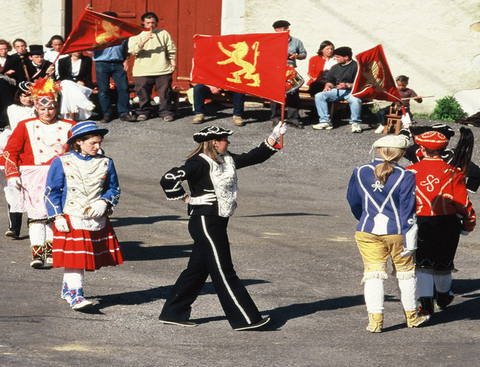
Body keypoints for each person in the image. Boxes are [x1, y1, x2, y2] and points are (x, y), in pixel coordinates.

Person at [158, 123, 286, 330]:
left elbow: (253, 156)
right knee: (224, 270)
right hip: (205, 223)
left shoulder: (226, 159)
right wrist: (188, 199)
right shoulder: (198, 162)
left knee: (196, 271)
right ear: (215, 143)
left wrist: (273, 136)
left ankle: (173, 312)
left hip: (217, 222)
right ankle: (246, 319)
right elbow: (168, 179)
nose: (228, 142)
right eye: (225, 139)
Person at [347, 134, 430, 332]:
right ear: (401, 154)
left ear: (377, 150)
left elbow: (353, 201)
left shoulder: (360, 171)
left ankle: (375, 322)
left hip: (367, 229)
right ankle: (412, 317)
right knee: (406, 274)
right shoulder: (406, 174)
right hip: (398, 231)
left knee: (373, 275)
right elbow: (407, 208)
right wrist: (410, 233)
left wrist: (364, 217)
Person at [44, 121, 123, 311]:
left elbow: (114, 188)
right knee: (76, 260)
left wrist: (104, 202)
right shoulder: (61, 161)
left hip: (96, 218)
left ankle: (67, 289)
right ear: (78, 142)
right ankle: (76, 295)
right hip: (71, 216)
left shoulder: (106, 162)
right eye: (93, 143)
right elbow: (51, 191)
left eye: (100, 142)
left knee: (80, 258)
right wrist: (57, 217)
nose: (98, 147)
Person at [2, 77, 75, 268]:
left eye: (50, 108)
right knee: (36, 216)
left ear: (56, 107)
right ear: (36, 108)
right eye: (42, 109)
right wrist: (13, 174)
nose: (47, 112)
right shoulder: (25, 125)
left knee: (54, 215)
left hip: (60, 175)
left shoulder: (69, 125)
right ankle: (37, 254)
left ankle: (51, 251)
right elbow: (10, 151)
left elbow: (79, 149)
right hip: (33, 175)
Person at [407, 130, 476, 316]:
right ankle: (443, 296)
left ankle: (426, 305)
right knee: (443, 263)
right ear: (444, 150)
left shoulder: (409, 172)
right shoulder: (454, 172)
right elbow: (463, 202)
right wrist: (469, 223)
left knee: (422, 264)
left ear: (421, 148)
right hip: (447, 223)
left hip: (418, 222)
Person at [402, 123, 480, 194]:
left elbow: (400, 148)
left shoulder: (415, 150)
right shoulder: (454, 156)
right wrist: (462, 188)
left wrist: (405, 131)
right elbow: (477, 173)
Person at [128, 12, 177, 122]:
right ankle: (143, 112)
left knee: (165, 93)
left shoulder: (163, 33)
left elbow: (171, 49)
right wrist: (144, 41)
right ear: (143, 23)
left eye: (153, 23)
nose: (151, 25)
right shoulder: (136, 34)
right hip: (142, 70)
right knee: (143, 93)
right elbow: (133, 51)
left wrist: (173, 62)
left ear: (157, 23)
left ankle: (166, 112)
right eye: (148, 23)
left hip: (162, 69)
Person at [2, 81, 35, 239]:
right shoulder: (11, 109)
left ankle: (34, 224)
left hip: (33, 151)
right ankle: (14, 228)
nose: (27, 98)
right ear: (19, 96)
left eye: (30, 95)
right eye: (24, 95)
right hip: (15, 149)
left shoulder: (40, 109)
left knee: (33, 188)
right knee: (12, 187)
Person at [93, 11, 137, 123]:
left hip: (118, 63)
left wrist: (126, 60)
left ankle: (124, 113)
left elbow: (126, 48)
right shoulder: (97, 33)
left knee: (124, 88)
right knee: (103, 90)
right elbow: (90, 48)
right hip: (102, 63)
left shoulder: (121, 33)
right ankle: (106, 113)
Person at [312, 46, 362, 133]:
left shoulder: (357, 67)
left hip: (352, 91)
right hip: (336, 91)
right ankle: (325, 121)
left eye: (338, 57)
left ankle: (355, 123)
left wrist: (347, 85)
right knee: (319, 95)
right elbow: (329, 80)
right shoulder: (335, 67)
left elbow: (361, 84)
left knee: (355, 101)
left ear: (346, 57)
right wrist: (328, 85)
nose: (335, 59)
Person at [270, 20, 307, 129]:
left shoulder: (296, 41)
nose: (282, 30)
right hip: (276, 69)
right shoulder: (271, 41)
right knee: (275, 95)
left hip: (290, 69)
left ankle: (293, 119)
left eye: (284, 28)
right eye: (279, 29)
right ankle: (276, 119)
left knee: (293, 94)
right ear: (275, 30)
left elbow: (303, 54)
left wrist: (296, 56)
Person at [57, 52, 95, 121]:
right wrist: (76, 82)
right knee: (67, 84)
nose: (77, 52)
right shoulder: (62, 61)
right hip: (65, 81)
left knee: (69, 91)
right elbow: (63, 76)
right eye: (75, 50)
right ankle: (84, 103)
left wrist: (90, 87)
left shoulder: (87, 60)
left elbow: (88, 75)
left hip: (80, 84)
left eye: (80, 50)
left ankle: (70, 116)